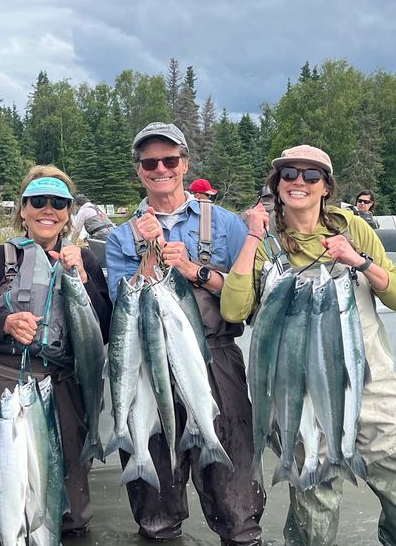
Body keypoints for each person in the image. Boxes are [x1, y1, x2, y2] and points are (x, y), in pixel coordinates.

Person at [220, 145, 396, 546]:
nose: (298, 182)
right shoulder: (264, 243)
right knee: (312, 529)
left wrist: (359, 261)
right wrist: (252, 236)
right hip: (300, 401)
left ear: (326, 187)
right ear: (277, 183)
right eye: (289, 174)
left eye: (311, 176)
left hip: (371, 391)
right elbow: (234, 310)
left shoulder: (352, 229)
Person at [105, 122, 265, 546]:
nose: (160, 168)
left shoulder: (228, 225)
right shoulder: (122, 236)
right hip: (147, 366)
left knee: (236, 502)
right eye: (150, 162)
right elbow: (124, 307)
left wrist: (195, 270)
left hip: (216, 358)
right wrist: (150, 257)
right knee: (155, 510)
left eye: (169, 160)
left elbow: (246, 298)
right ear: (139, 170)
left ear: (184, 164)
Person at [0, 166, 112, 542]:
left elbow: (104, 331)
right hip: (1, 386)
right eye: (38, 201)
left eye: (58, 203)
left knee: (70, 509)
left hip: (62, 387)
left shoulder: (84, 262)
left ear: (69, 212)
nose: (48, 209)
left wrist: (84, 283)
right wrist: (4, 324)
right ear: (22, 209)